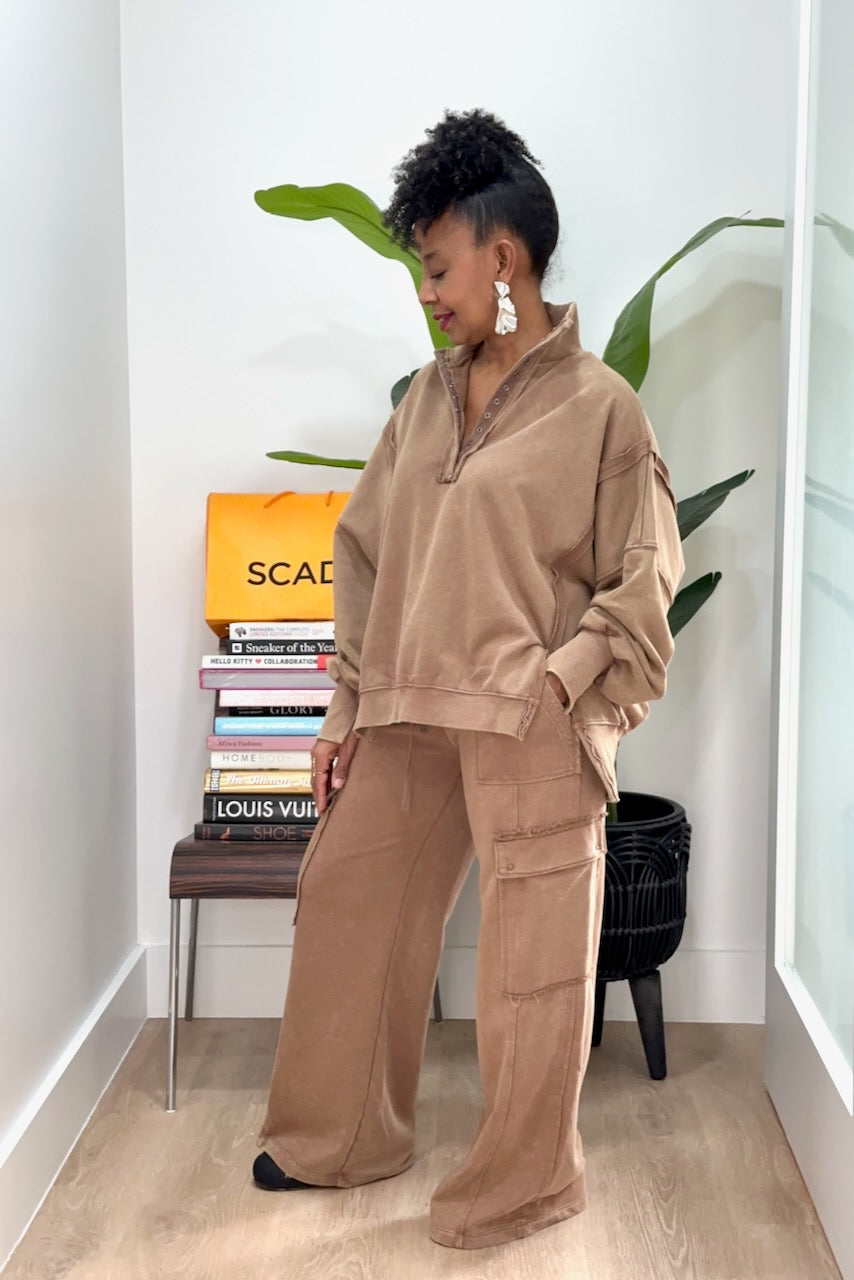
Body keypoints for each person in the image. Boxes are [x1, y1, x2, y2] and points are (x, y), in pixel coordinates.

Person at [253, 109, 685, 1251]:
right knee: (348, 899)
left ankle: (522, 1183)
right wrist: (344, 708)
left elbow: (645, 578)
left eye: (438, 268)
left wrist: (563, 683)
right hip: (407, 708)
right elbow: (362, 551)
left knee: (531, 968)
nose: (427, 293)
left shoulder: (601, 408)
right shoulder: (424, 402)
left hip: (528, 722)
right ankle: (339, 1136)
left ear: (504, 258)